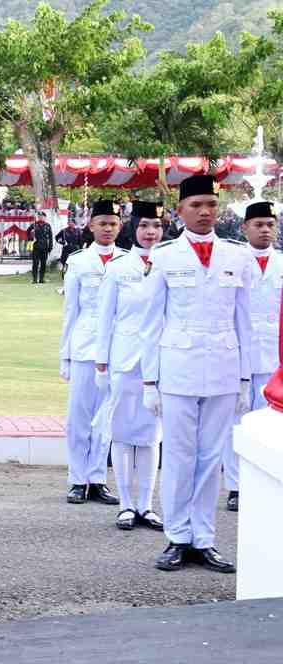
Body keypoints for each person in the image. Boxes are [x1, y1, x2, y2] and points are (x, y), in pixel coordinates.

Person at [140, 174, 252, 574]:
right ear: (180, 211)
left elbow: (244, 322)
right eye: (196, 205)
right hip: (178, 369)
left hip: (222, 367)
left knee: (211, 458)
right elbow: (151, 323)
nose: (205, 212)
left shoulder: (236, 256)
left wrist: (245, 378)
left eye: (211, 204)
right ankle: (177, 537)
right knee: (180, 456)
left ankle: (203, 539)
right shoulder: (166, 256)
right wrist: (149, 381)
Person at [94, 201, 165, 532]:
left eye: (156, 226)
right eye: (144, 225)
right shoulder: (118, 268)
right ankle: (125, 504)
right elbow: (104, 319)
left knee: (152, 435)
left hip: (160, 362)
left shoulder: (169, 263)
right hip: (124, 359)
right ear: (133, 229)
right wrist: (101, 364)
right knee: (122, 432)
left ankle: (146, 505)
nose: (151, 232)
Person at [59, 200, 126, 505]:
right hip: (85, 347)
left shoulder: (127, 262)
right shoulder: (78, 262)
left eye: (113, 223)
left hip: (116, 348)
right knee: (80, 415)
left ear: (120, 226)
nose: (108, 229)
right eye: (102, 223)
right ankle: (77, 479)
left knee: (106, 417)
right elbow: (70, 311)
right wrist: (65, 356)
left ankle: (97, 478)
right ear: (91, 225)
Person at [221, 201, 280, 512]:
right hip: (240, 354)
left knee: (270, 423)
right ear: (244, 228)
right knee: (237, 421)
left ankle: (267, 481)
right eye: (258, 224)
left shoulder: (282, 263)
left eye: (270, 224)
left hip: (274, 358)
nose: (266, 230)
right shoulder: (233, 261)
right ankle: (235, 485)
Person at [28, 213, 53, 284]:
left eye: (42, 216)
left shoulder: (48, 226)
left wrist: (50, 247)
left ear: (45, 217)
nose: (41, 218)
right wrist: (31, 236)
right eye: (39, 216)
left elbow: (50, 237)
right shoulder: (34, 225)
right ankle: (34, 279)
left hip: (45, 247)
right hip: (36, 246)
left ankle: (42, 278)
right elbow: (28, 233)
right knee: (35, 263)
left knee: (43, 264)